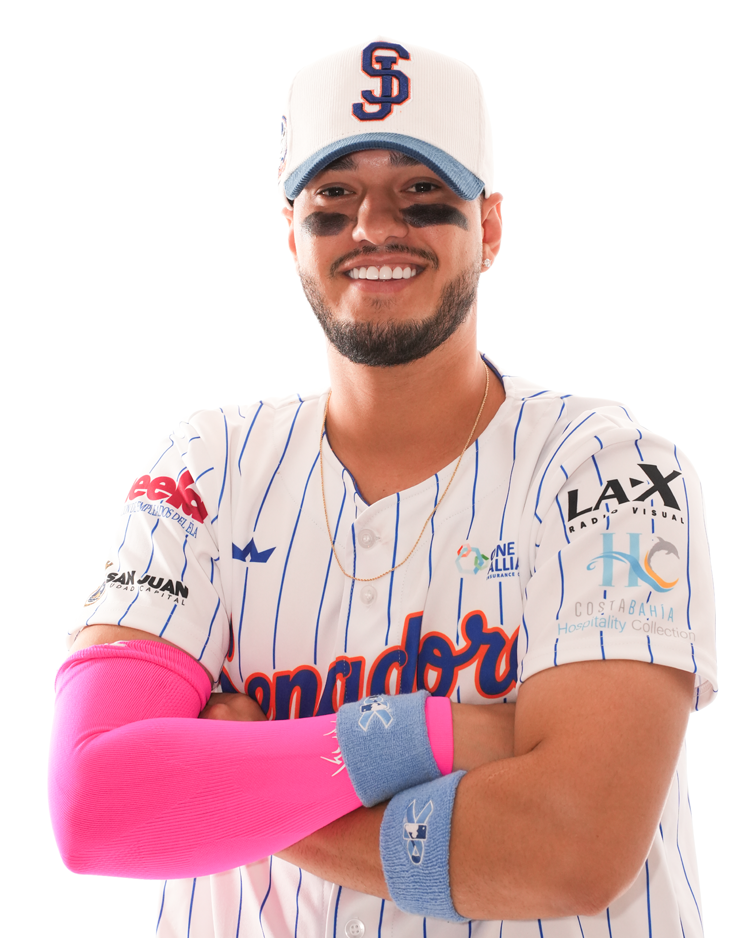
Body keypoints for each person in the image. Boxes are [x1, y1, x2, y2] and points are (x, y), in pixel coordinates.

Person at [49, 39, 717, 938]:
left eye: (420, 189)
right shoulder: (208, 466)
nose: (373, 227)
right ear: (292, 232)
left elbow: (571, 843)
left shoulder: (612, 471)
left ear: (488, 227)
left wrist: (235, 782)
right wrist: (448, 734)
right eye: (334, 196)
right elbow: (94, 804)